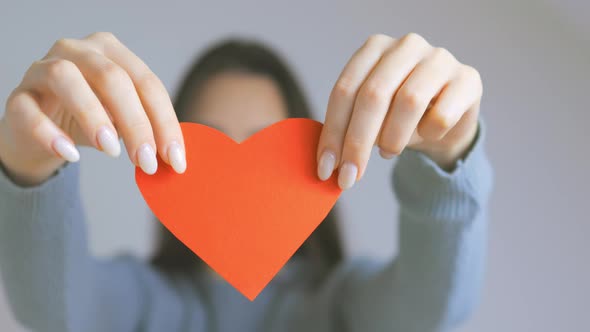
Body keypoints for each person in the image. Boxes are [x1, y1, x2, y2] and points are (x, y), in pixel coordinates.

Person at [0, 32, 492, 332]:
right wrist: (31, 167)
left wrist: (447, 152)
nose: (238, 184)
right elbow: (53, 307)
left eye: (266, 151)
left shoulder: (344, 304)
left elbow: (434, 304)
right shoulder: (143, 302)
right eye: (209, 148)